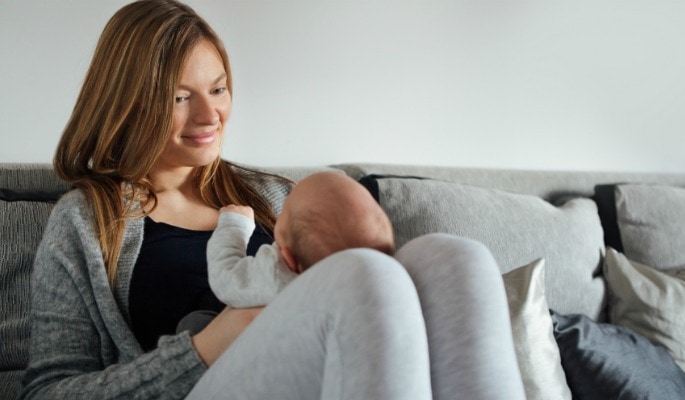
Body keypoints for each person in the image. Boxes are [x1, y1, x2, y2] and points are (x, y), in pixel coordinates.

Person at [21, 1, 526, 399]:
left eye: (217, 89)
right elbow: (48, 391)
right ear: (127, 103)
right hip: (205, 384)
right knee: (362, 273)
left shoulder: (272, 195)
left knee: (455, 257)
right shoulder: (88, 222)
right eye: (179, 97)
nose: (209, 115)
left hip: (317, 374)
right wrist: (213, 343)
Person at [177, 171, 396, 333]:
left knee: (194, 323)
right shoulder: (375, 290)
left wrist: (234, 227)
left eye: (285, 210)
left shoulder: (278, 272)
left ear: (288, 259)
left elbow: (224, 276)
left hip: (254, 360)